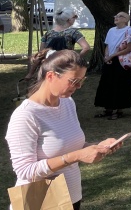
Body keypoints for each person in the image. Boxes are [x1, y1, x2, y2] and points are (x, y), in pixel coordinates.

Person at [6, 50, 122, 210]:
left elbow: (69, 145)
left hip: (70, 197)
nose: (79, 86)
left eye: (82, 80)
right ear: (51, 76)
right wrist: (76, 156)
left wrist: (98, 146)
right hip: (39, 201)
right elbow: (25, 171)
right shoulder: (25, 116)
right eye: (74, 81)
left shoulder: (67, 103)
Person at [92, 12, 131, 120]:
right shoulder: (111, 30)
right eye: (115, 16)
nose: (116, 18)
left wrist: (113, 55)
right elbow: (107, 45)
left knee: (119, 84)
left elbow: (129, 48)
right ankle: (108, 108)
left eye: (120, 16)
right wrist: (106, 56)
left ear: (126, 20)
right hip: (110, 60)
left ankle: (119, 110)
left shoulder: (129, 30)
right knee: (106, 83)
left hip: (121, 61)